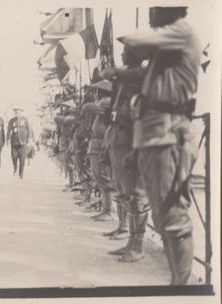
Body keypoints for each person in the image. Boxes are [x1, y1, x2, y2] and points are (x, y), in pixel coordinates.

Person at [121, 6, 201, 284]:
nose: (149, 15)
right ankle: (177, 282)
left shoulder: (181, 32)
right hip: (154, 137)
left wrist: (124, 60)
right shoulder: (165, 54)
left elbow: (134, 42)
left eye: (154, 10)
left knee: (173, 219)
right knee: (162, 215)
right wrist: (137, 148)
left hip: (169, 136)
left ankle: (182, 288)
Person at [100, 46, 150, 262]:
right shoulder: (123, 80)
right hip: (119, 137)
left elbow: (120, 73)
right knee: (124, 191)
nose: (121, 55)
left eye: (126, 51)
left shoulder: (143, 75)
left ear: (138, 55)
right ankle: (130, 240)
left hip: (133, 139)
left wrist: (115, 72)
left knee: (137, 193)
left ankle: (138, 246)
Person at [82, 80, 115, 222]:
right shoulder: (102, 102)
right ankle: (105, 208)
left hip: (101, 142)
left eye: (97, 91)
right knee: (99, 176)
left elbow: (90, 107)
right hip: (96, 142)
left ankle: (107, 210)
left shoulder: (106, 101)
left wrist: (88, 105)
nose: (96, 93)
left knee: (102, 176)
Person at [7, 108, 32, 178]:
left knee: (22, 158)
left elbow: (29, 129)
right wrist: (8, 139)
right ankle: (15, 167)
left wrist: (29, 138)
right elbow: (8, 131)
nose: (17, 113)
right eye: (16, 112)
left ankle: (21, 174)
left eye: (19, 112)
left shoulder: (25, 119)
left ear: (21, 112)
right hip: (14, 142)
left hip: (23, 142)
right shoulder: (11, 121)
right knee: (13, 157)